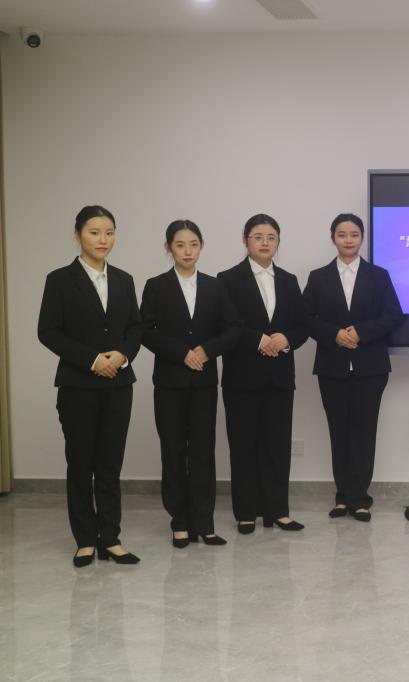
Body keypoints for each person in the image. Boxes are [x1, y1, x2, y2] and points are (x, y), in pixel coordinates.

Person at [38, 205, 143, 566]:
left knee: (110, 465)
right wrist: (93, 360)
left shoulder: (125, 279)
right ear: (78, 235)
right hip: (78, 387)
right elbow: (48, 331)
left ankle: (110, 538)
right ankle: (85, 540)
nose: (103, 239)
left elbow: (135, 327)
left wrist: (122, 355)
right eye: (94, 232)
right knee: (81, 464)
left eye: (109, 232)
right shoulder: (59, 280)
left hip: (119, 385)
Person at [141, 220, 241, 547]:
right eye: (180, 244)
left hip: (204, 383)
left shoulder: (215, 287)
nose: (187, 251)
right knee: (173, 450)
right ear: (168, 247)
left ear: (201, 247)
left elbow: (233, 328)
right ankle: (179, 521)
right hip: (169, 382)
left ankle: (204, 522)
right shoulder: (156, 286)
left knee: (202, 451)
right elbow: (146, 331)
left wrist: (207, 351)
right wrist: (181, 353)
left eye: (194, 244)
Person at [303, 213, 403, 522]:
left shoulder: (379, 276)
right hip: (331, 366)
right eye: (342, 234)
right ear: (332, 238)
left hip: (370, 367)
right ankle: (342, 497)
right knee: (339, 432)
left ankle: (360, 499)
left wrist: (361, 332)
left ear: (362, 238)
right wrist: (334, 334)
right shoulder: (318, 277)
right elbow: (306, 318)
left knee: (364, 431)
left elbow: (393, 314)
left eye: (354, 234)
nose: (348, 240)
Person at [218, 214, 310, 534]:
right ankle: (246, 512)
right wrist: (258, 340)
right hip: (242, 377)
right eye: (258, 237)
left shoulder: (288, 280)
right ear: (246, 241)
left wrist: (286, 339)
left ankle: (278, 510)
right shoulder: (227, 279)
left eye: (271, 237)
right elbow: (225, 325)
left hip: (280, 377)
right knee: (244, 444)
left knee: (277, 445)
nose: (265, 243)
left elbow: (303, 325)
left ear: (278, 242)